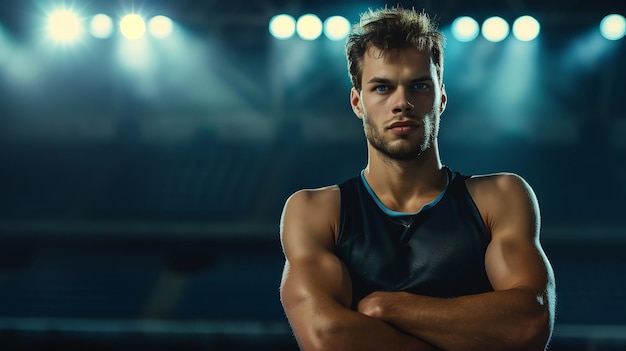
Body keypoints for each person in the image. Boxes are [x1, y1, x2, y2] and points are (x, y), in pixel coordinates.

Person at [279, 6, 556, 351]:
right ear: (357, 102)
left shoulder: (499, 196)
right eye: (381, 88)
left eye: (419, 86)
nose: (402, 103)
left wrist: (388, 308)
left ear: (440, 98)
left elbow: (529, 323)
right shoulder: (315, 211)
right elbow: (327, 336)